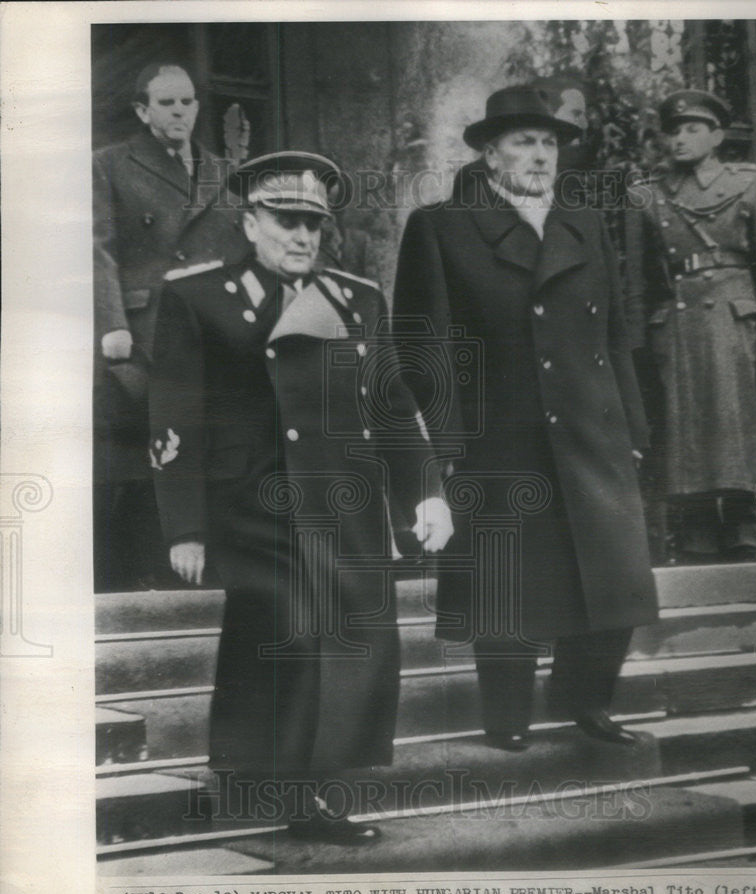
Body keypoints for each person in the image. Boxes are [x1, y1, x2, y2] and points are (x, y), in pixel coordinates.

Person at [149, 151, 453, 844]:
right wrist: (184, 527)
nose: (303, 237)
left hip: (345, 507)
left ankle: (301, 781)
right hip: (252, 506)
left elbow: (393, 403)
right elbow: (174, 415)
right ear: (250, 221)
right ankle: (294, 791)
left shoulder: (356, 299)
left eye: (314, 224)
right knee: (291, 634)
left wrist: (427, 495)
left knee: (348, 642)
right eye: (287, 221)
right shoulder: (198, 297)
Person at [394, 85, 658, 752]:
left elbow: (617, 337)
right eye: (523, 142)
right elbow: (425, 345)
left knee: (613, 574)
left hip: (592, 429)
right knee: (507, 580)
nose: (540, 156)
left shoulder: (583, 221)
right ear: (489, 152)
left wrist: (632, 428)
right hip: (499, 434)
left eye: (548, 143)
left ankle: (586, 703)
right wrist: (444, 444)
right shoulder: (442, 226)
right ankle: (506, 717)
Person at [93, 63, 246, 589]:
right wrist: (113, 324)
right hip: (145, 330)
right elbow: (99, 249)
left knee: (213, 437)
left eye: (187, 102)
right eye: (167, 103)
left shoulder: (222, 170)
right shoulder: (111, 165)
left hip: (211, 330)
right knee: (151, 444)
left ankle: (210, 559)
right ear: (142, 110)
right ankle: (155, 567)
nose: (180, 111)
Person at [625, 90, 756, 563]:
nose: (679, 139)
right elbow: (636, 283)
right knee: (684, 428)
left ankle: (743, 529)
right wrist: (638, 344)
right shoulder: (646, 194)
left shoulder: (753, 182)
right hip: (676, 323)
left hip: (735, 318)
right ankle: (694, 533)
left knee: (738, 423)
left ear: (717, 136)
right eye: (673, 130)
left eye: (693, 129)